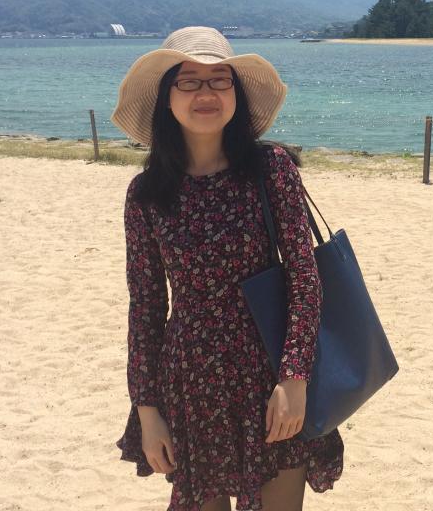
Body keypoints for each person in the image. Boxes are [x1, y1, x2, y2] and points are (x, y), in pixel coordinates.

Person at [110, 26, 343, 511]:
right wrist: (147, 410)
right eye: (189, 81)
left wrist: (294, 377)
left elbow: (304, 277)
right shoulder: (146, 194)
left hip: (270, 374)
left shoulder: (271, 169)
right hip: (191, 384)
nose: (206, 93)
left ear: (236, 94)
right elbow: (146, 307)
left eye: (220, 80)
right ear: (167, 97)